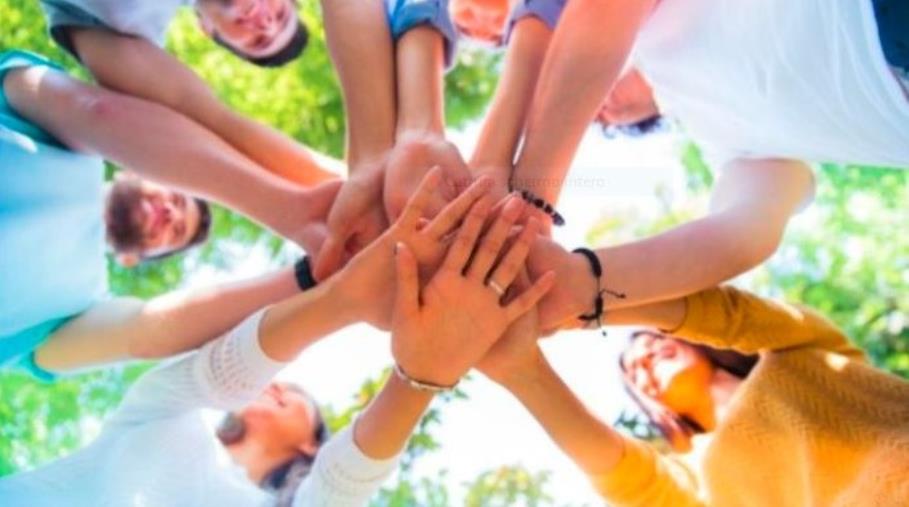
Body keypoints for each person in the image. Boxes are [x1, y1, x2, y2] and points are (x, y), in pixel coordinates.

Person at [0, 169, 555, 507]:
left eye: (289, 396)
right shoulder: (160, 419)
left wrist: (419, 375)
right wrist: (342, 302)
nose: (272, 387)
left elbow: (340, 489)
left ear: (312, 446)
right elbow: (212, 373)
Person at [502, 0, 909, 328]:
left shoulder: (656, 22)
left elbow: (602, 10)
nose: (600, 109)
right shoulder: (718, 142)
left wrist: (531, 197)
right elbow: (744, 231)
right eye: (604, 120)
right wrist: (581, 281)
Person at [0, 49, 339, 379]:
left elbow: (145, 333)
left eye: (175, 231)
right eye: (176, 199)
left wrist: (313, 275)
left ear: (133, 258)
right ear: (137, 170)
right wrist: (294, 209)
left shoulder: (77, 306)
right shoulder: (64, 141)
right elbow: (98, 111)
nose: (170, 214)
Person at [477, 284, 909, 505]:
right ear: (654, 405)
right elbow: (618, 472)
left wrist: (587, 301)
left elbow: (730, 315)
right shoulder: (688, 476)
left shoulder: (797, 350)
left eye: (651, 342)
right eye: (635, 373)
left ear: (692, 340)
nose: (644, 357)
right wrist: (522, 371)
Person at [39, 0, 343, 246]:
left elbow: (210, 119)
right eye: (280, 12)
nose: (267, 23)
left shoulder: (127, 29)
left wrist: (345, 189)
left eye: (259, 41)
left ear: (208, 29)